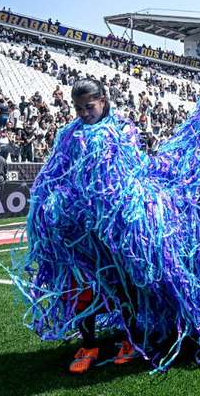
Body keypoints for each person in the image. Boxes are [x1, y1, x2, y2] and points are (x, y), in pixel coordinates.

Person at [65, 79, 138, 374]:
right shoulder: (70, 135)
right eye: (78, 108)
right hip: (82, 226)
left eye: (89, 106)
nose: (84, 113)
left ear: (104, 101)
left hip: (118, 225)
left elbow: (133, 170)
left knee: (124, 283)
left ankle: (130, 340)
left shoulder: (124, 130)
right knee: (81, 287)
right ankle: (88, 344)